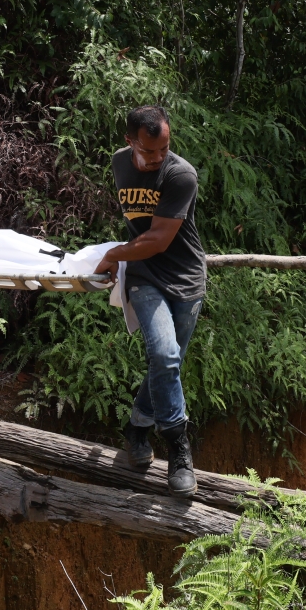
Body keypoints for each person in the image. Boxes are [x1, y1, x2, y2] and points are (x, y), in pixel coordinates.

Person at [94, 106, 206, 497]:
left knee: (166, 363)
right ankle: (178, 450)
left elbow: (158, 239)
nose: (158, 158)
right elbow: (138, 230)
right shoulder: (118, 164)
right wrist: (121, 256)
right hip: (143, 277)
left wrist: (112, 256)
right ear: (130, 141)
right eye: (150, 151)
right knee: (164, 355)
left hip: (187, 280)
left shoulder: (181, 174)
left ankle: (137, 429)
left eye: (164, 149)